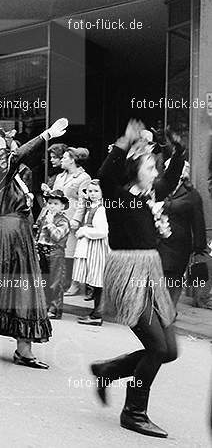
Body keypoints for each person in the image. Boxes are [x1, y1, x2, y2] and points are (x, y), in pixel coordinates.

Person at [89, 119, 182, 438]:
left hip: (150, 272)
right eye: (150, 167)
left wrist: (177, 149)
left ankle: (107, 370)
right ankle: (134, 412)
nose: (156, 172)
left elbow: (169, 179)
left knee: (170, 350)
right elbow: (104, 173)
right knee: (156, 347)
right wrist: (125, 141)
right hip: (128, 275)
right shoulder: (116, 195)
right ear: (134, 168)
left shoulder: (149, 194)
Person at [0, 119, 69, 370]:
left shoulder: (10, 174)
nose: (11, 149)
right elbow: (17, 155)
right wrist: (46, 135)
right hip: (4, 234)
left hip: (15, 234)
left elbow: (18, 159)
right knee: (7, 286)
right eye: (6, 147)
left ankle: (17, 348)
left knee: (18, 288)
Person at [158, 160, 207, 307]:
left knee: (173, 278)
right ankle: (162, 311)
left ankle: (169, 311)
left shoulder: (192, 194)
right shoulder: (160, 188)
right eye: (167, 168)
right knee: (159, 277)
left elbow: (198, 222)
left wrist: (199, 248)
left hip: (179, 245)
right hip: (159, 242)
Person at [53, 147, 91, 298]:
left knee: (74, 253)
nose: (61, 160)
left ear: (72, 160)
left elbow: (83, 201)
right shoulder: (60, 177)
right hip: (58, 218)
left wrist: (77, 219)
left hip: (72, 217)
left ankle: (76, 284)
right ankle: (64, 282)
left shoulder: (84, 178)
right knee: (61, 252)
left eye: (64, 157)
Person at [74, 180, 109, 326]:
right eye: (90, 191)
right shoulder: (92, 207)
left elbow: (102, 231)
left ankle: (97, 315)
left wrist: (84, 231)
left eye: (96, 191)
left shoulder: (101, 209)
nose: (92, 194)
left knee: (98, 281)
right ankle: (95, 312)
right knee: (95, 281)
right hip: (92, 246)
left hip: (98, 247)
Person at [34, 189, 71, 319]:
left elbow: (57, 236)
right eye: (50, 203)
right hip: (42, 250)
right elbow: (38, 234)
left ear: (62, 206)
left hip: (55, 252)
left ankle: (55, 309)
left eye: (55, 204)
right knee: (43, 280)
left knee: (55, 282)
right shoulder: (45, 217)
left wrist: (50, 223)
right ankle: (44, 305)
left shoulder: (63, 221)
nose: (52, 206)